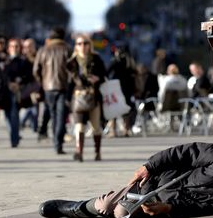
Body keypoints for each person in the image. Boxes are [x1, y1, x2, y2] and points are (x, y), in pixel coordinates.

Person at [39, 142, 213, 218]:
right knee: (106, 205)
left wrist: (169, 208)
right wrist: (149, 166)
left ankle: (92, 210)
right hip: (156, 180)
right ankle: (74, 208)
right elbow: (185, 153)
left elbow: (207, 209)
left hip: (161, 203)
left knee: (120, 212)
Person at [67, 34, 106, 162]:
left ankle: (97, 152)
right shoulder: (71, 62)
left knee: (96, 127)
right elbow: (70, 81)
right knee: (79, 126)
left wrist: (98, 79)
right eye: (79, 43)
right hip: (78, 97)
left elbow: (104, 74)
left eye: (85, 43)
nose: (82, 46)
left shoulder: (96, 59)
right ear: (76, 46)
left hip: (94, 97)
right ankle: (79, 152)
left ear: (90, 45)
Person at [33, 27, 71, 154]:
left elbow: (35, 70)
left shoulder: (43, 50)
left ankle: (56, 141)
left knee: (54, 115)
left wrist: (42, 81)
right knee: (60, 115)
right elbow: (74, 70)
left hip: (48, 87)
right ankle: (58, 143)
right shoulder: (67, 49)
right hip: (62, 86)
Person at [1, 38, 30, 148]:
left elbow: (28, 75)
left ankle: (14, 138)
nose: (14, 48)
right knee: (7, 115)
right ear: (8, 49)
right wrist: (8, 83)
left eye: (16, 46)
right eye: (12, 46)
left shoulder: (23, 61)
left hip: (16, 92)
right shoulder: (4, 61)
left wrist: (19, 82)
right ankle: (14, 134)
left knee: (14, 115)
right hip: (4, 92)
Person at [107, 43, 137, 137]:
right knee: (126, 109)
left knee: (114, 108)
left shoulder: (115, 61)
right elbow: (135, 74)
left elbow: (107, 72)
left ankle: (113, 131)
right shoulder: (130, 61)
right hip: (128, 89)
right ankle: (126, 129)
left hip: (116, 88)